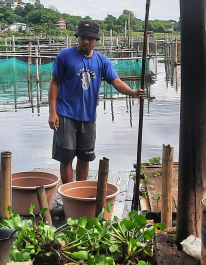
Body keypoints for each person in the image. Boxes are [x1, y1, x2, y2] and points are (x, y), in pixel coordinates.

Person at [48, 21, 146, 184]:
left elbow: (116, 81)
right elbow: (54, 83)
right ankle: (67, 192)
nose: (86, 41)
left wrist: (134, 93)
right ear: (78, 38)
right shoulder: (65, 56)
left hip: (88, 116)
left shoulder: (102, 60)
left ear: (96, 40)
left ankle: (79, 191)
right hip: (65, 113)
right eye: (83, 37)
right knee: (66, 157)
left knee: (85, 157)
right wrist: (53, 112)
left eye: (90, 38)